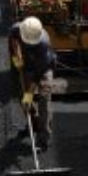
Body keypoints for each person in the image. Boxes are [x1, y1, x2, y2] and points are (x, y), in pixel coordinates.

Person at [9, 16, 57, 153]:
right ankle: (34, 124)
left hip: (43, 68)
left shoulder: (43, 44)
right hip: (26, 65)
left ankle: (43, 139)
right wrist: (16, 55)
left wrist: (29, 93)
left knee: (44, 100)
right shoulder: (17, 28)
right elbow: (13, 39)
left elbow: (37, 75)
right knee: (22, 98)